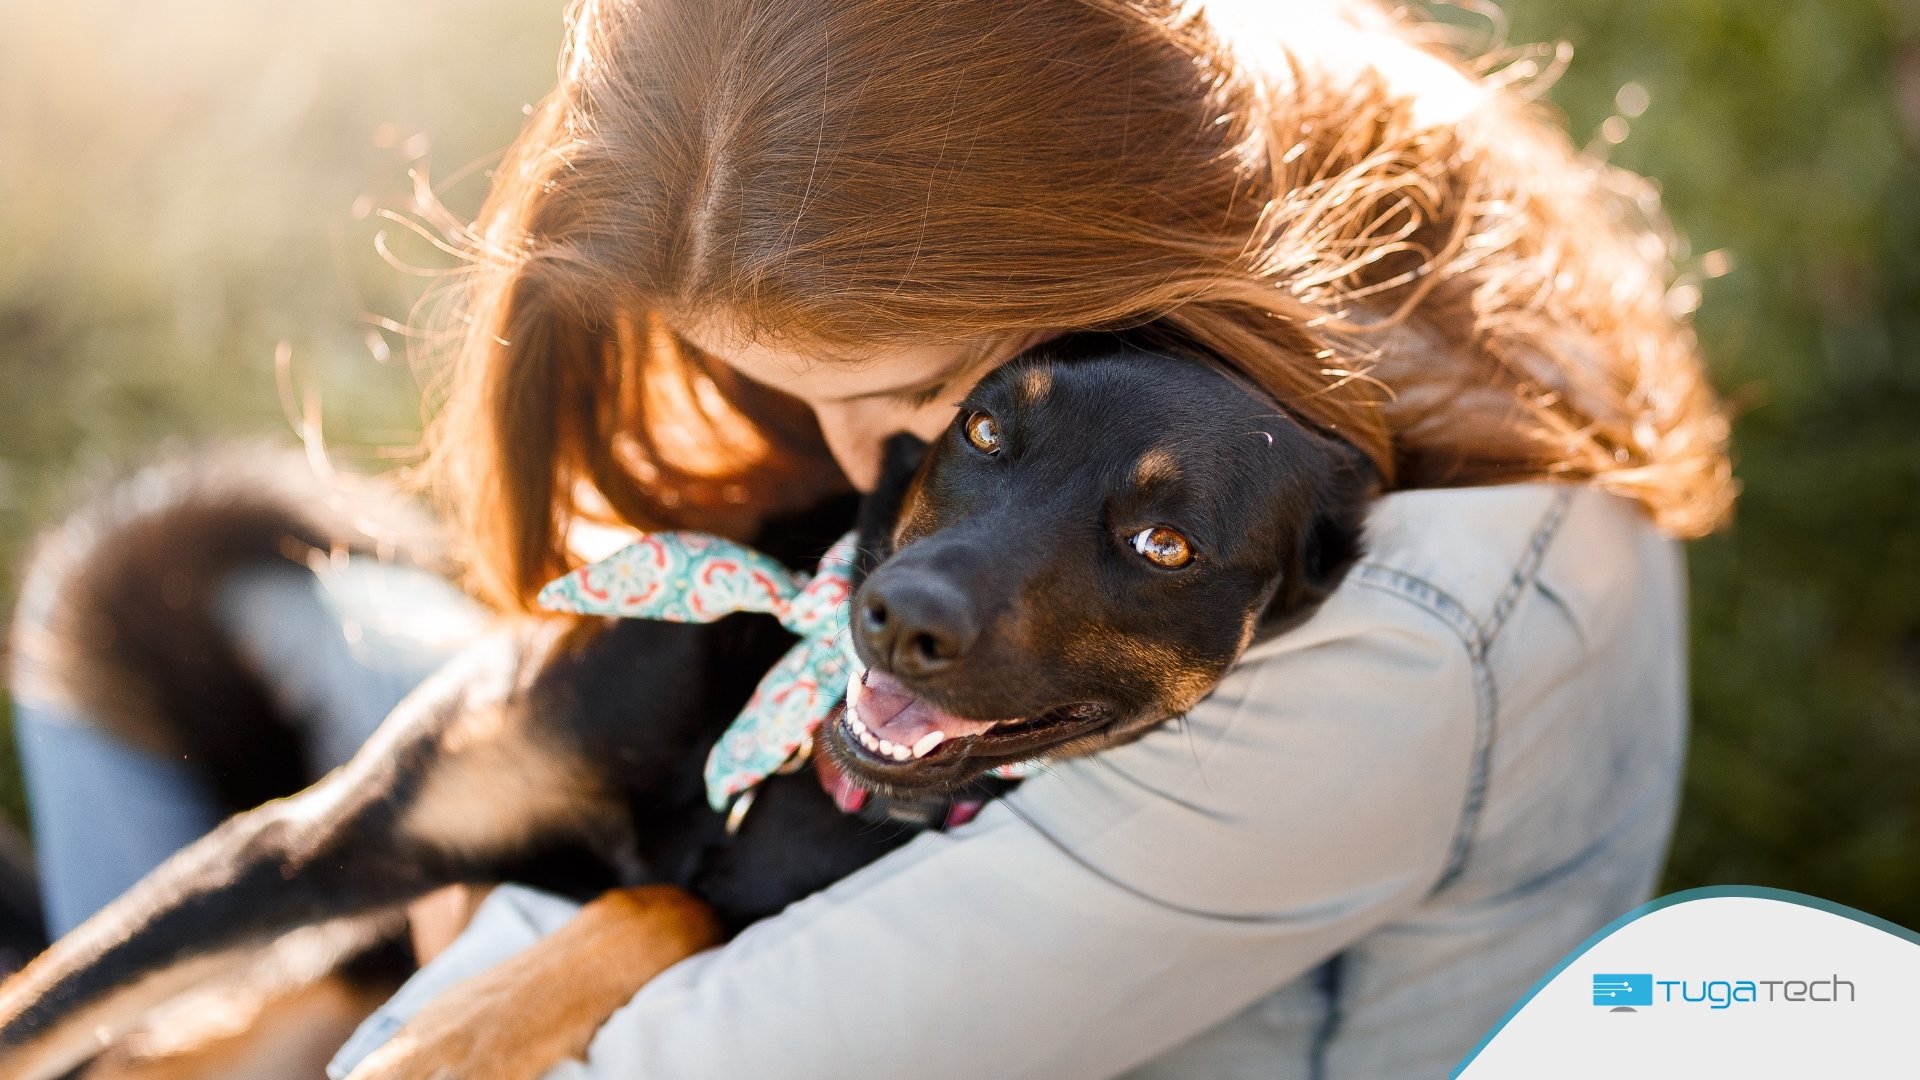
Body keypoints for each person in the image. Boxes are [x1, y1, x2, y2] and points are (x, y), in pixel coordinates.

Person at [12, 0, 1735, 1076]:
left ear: (1081, 272)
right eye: (765, 380)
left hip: (751, 979)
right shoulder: (1244, 150)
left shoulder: (1350, 658)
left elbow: (576, 1061)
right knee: (163, 574)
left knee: (226, 787)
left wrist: (465, 896)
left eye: (918, 388)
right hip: (737, 780)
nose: (862, 471)